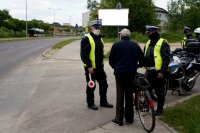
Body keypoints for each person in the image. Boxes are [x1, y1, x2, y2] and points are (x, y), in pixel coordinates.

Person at [109, 28, 144, 126]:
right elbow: (142, 60)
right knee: (129, 96)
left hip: (119, 74)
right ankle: (129, 119)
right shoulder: (135, 45)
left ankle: (119, 120)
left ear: (121, 36)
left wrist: (116, 67)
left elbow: (111, 61)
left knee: (120, 97)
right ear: (129, 36)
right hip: (131, 74)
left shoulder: (116, 45)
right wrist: (136, 66)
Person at [80, 20, 113, 110]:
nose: (98, 29)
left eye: (99, 28)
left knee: (104, 84)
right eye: (96, 27)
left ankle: (103, 102)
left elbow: (98, 52)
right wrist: (89, 66)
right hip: (91, 68)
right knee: (91, 85)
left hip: (100, 67)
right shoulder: (87, 38)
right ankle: (90, 103)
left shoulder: (99, 38)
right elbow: (84, 55)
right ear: (91, 28)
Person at [144, 26, 170, 116]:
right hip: (148, 71)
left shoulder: (163, 42)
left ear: (154, 32)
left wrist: (162, 72)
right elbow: (145, 54)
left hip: (158, 72)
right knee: (146, 89)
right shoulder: (148, 42)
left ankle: (160, 109)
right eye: (147, 32)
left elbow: (166, 59)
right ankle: (147, 106)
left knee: (160, 91)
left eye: (149, 32)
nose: (147, 34)